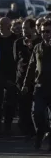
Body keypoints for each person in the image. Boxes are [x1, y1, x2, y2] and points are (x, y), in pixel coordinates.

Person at [24, 19, 51, 150]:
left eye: (48, 31)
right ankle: (40, 133)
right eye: (43, 32)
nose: (46, 34)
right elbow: (31, 66)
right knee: (37, 113)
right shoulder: (37, 47)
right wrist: (25, 84)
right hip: (40, 86)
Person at [14, 19, 41, 140]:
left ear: (33, 28)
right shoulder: (18, 43)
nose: (24, 31)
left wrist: (30, 48)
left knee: (36, 109)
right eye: (23, 28)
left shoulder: (40, 42)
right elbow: (15, 60)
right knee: (23, 107)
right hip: (22, 79)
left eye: (26, 28)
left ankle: (38, 131)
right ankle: (27, 132)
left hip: (36, 80)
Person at [0, 16, 18, 136]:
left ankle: (7, 125)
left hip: (11, 74)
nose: (0, 26)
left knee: (10, 102)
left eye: (2, 24)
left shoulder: (15, 39)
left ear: (8, 26)